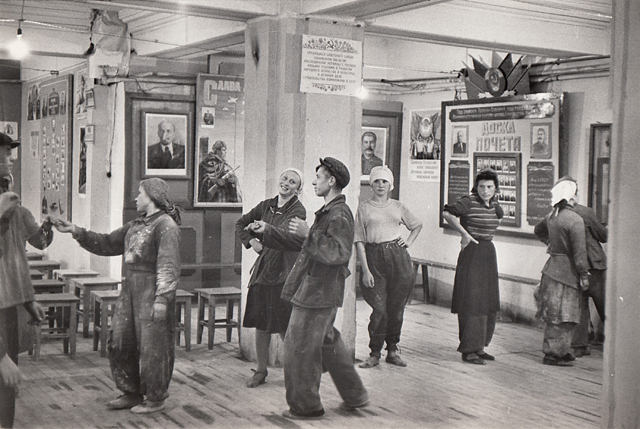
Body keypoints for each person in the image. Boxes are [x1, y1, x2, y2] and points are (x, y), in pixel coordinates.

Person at [55, 178, 181, 413]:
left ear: (152, 197)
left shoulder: (166, 226)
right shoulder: (135, 225)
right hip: (130, 288)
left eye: (140, 193)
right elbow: (107, 243)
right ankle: (131, 392)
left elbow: (168, 265)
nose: (136, 198)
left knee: (154, 347)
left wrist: (162, 299)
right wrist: (76, 231)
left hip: (152, 290)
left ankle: (155, 398)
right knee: (121, 341)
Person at [281, 157, 368, 420]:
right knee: (327, 341)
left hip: (318, 293)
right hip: (318, 291)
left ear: (332, 181)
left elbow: (339, 253)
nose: (314, 182)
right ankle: (355, 394)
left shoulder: (339, 214)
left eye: (318, 177)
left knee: (300, 349)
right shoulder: (330, 211)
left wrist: (308, 234)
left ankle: (306, 407)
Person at [235, 168, 306, 388]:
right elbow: (240, 224)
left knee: (287, 326)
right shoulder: (267, 205)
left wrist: (265, 229)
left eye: (292, 182)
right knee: (262, 324)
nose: (286, 183)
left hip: (284, 274)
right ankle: (261, 371)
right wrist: (253, 243)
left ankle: (298, 372)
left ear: (298, 189)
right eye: (284, 178)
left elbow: (285, 235)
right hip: (264, 272)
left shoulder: (298, 210)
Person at [0, 132, 52, 428]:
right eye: (5, 154)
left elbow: (17, 261)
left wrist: (29, 300)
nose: (10, 160)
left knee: (7, 385)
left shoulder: (16, 209)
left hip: (8, 302)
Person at [355, 166, 422, 368]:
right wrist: (365, 270)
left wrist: (408, 242)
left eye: (384, 181)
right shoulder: (364, 208)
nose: (380, 185)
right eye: (376, 181)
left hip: (398, 258)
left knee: (396, 309)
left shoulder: (398, 206)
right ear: (371, 184)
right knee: (379, 309)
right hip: (374, 258)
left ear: (390, 185)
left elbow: (417, 224)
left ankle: (392, 350)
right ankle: (374, 353)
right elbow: (359, 241)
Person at [442, 168, 503, 365]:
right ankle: (469, 350)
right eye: (482, 186)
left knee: (488, 301)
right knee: (472, 301)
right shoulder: (468, 201)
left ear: (495, 189)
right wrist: (464, 234)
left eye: (489, 187)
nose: (485, 190)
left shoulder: (496, 207)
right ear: (476, 187)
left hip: (488, 254)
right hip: (472, 254)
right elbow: (447, 213)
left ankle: (481, 346)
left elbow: (496, 221)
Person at [534, 177, 590, 366]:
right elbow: (580, 253)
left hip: (551, 270)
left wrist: (549, 243)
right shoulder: (575, 220)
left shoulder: (552, 216)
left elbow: (538, 230)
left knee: (553, 314)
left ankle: (558, 350)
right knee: (566, 314)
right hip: (568, 274)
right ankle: (555, 354)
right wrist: (584, 275)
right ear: (573, 196)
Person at [572, 188, 607, 356]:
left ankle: (580, 344)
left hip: (572, 265)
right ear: (575, 194)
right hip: (593, 264)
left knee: (580, 305)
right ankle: (619, 342)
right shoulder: (584, 211)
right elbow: (603, 235)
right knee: (604, 304)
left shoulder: (555, 213)